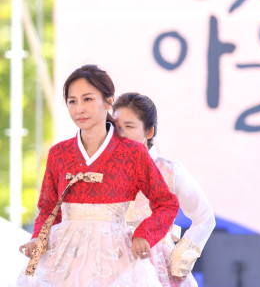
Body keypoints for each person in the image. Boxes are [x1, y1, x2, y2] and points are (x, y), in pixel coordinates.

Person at [18, 64, 180, 286]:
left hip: (116, 259)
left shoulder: (133, 153)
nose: (79, 109)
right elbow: (48, 209)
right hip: (63, 259)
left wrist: (144, 234)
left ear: (108, 101)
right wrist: (37, 238)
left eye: (87, 99)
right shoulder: (59, 153)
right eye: (72, 101)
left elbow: (167, 203)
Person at [113, 92, 216, 287]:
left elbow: (204, 216)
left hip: (156, 264)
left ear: (149, 131)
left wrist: (181, 258)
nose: (122, 134)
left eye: (129, 126)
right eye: (117, 127)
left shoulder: (169, 171)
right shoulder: (106, 172)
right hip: (111, 263)